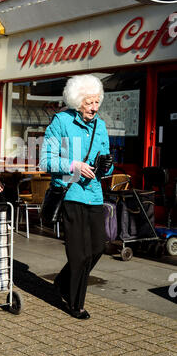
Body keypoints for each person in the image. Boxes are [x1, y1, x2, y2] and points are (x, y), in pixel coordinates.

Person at [40, 74, 113, 319]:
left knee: (98, 248)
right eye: (89, 102)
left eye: (97, 101)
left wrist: (107, 166)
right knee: (79, 253)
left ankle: (62, 282)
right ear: (77, 101)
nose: (95, 107)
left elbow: (106, 163)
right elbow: (45, 160)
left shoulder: (100, 125)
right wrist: (74, 165)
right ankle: (75, 303)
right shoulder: (61, 121)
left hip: (93, 194)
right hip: (70, 192)